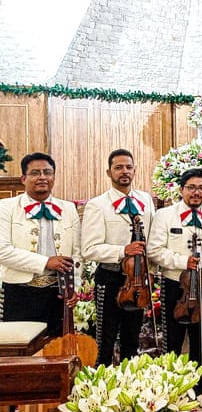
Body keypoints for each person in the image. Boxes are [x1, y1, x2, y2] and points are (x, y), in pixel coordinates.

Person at [147, 168, 202, 409]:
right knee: (173, 338)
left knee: (201, 336)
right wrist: (182, 262)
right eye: (191, 187)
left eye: (201, 188)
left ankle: (201, 387)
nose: (196, 192)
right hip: (175, 284)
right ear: (181, 190)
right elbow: (154, 251)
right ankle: (172, 386)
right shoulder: (165, 215)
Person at [81, 148, 155, 365]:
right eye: (118, 167)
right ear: (108, 172)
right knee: (106, 337)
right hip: (111, 277)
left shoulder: (146, 200)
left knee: (133, 337)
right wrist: (123, 251)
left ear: (134, 170)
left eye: (129, 167)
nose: (124, 171)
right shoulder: (98, 205)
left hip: (139, 279)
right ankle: (102, 388)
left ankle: (129, 385)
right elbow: (89, 249)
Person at [0, 152, 80, 336]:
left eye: (47, 172)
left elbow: (78, 253)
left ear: (53, 177)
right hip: (19, 292)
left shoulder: (68, 208)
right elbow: (3, 251)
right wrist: (45, 262)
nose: (42, 177)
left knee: (57, 349)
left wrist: (74, 287)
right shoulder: (6, 207)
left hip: (58, 293)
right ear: (23, 178)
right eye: (35, 173)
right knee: (20, 351)